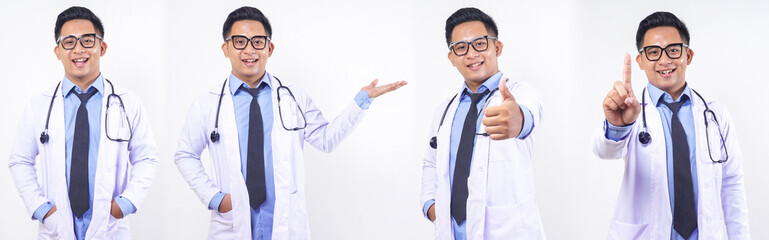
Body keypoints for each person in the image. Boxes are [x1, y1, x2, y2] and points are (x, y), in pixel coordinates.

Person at [174, 6, 406, 239]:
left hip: (284, 223)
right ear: (226, 48)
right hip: (232, 223)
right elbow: (185, 154)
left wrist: (362, 101)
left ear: (270, 48)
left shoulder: (292, 97)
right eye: (239, 42)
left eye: (258, 42)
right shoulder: (206, 104)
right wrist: (216, 199)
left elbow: (326, 139)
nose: (249, 50)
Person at [592, 11, 750, 239]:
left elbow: (732, 182)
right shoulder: (631, 112)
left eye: (673, 50)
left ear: (689, 55)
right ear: (641, 61)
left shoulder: (716, 115)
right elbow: (603, 149)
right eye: (653, 52)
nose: (664, 60)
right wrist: (617, 126)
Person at [8, 6, 160, 239]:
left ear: (102, 47)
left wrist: (126, 203)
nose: (78, 49)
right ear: (58, 51)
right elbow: (19, 160)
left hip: (110, 227)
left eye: (87, 41)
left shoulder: (128, 103)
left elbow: (147, 158)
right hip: (56, 228)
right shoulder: (38, 106)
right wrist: (42, 210)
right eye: (69, 42)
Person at [420, 7, 545, 239]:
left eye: (480, 43)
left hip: (507, 231)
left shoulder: (521, 94)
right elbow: (431, 162)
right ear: (452, 58)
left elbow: (526, 117)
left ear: (497, 47)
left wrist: (517, 120)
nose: (471, 54)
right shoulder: (444, 111)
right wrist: (431, 206)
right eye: (461, 47)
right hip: (453, 232)